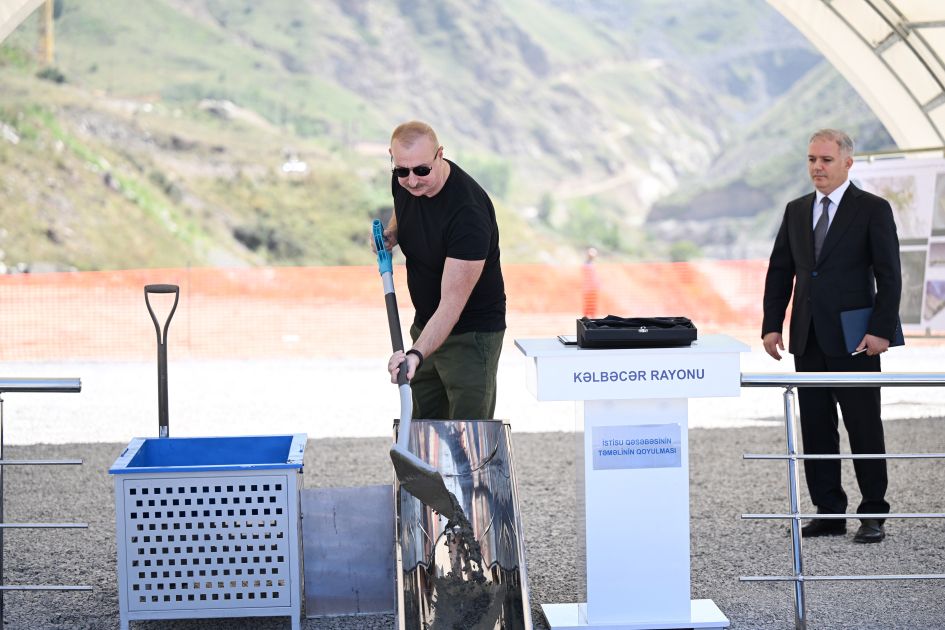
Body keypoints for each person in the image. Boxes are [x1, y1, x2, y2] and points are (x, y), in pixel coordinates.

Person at [762, 129, 902, 544]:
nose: (817, 168)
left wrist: (880, 330)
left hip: (856, 340)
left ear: (847, 163)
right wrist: (772, 324)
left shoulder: (873, 209)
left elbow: (889, 274)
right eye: (811, 160)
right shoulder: (796, 210)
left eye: (825, 160)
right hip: (806, 337)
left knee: (863, 426)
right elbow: (780, 271)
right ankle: (829, 511)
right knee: (818, 428)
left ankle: (873, 512)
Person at [381, 120, 506, 420]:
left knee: (468, 435)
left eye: (422, 170)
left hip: (471, 335)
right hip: (425, 326)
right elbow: (404, 207)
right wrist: (393, 234)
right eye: (402, 171)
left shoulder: (468, 213)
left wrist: (416, 354)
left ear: (440, 155)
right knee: (423, 426)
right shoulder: (406, 182)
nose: (412, 181)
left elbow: (452, 303)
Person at [582, 246, 600, 318]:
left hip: (592, 288)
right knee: (587, 306)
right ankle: (586, 320)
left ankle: (592, 320)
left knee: (593, 306)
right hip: (588, 288)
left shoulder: (593, 265)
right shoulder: (586, 265)